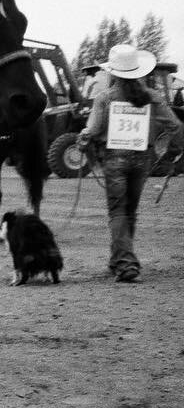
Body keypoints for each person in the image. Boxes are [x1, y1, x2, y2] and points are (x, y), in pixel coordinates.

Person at [77, 43, 182, 282]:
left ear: (113, 72)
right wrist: (172, 151)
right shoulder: (153, 97)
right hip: (142, 159)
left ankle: (125, 264)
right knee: (129, 211)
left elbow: (92, 130)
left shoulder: (105, 97)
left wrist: (83, 140)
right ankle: (118, 260)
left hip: (114, 159)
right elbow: (175, 126)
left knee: (117, 212)